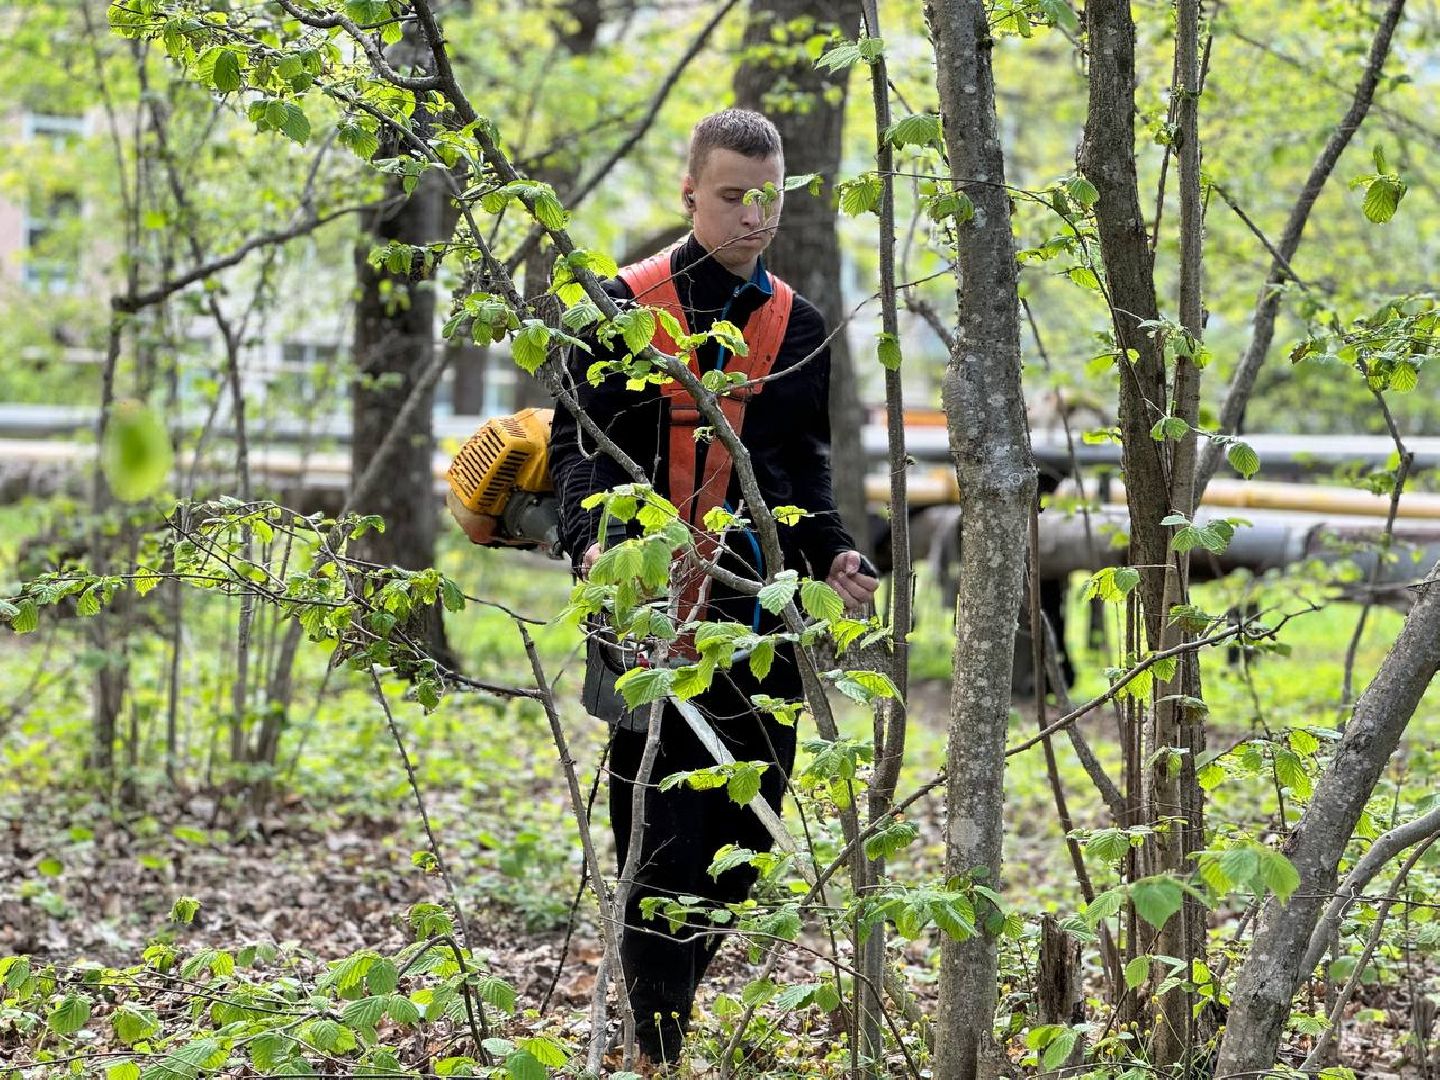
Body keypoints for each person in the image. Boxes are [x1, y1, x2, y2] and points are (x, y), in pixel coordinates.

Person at [547, 108, 878, 1066]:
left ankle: (664, 1005)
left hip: (755, 609)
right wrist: (595, 546)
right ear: (688, 189)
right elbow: (580, 453)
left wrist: (835, 554)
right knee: (657, 832)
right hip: (643, 602)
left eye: (768, 197)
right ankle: (657, 1036)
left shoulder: (800, 323)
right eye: (732, 196)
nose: (753, 216)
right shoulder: (618, 307)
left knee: (749, 829)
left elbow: (799, 473)